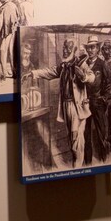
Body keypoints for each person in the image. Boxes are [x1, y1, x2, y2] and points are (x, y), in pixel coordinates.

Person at [28, 38, 94, 168]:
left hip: (77, 107)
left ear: (74, 50)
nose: (65, 50)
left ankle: (78, 167)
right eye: (64, 48)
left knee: (77, 137)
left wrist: (85, 77)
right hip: (66, 106)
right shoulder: (63, 66)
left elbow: (91, 76)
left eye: (69, 48)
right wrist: (33, 73)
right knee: (71, 136)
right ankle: (77, 164)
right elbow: (50, 72)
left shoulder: (81, 64)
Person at [82, 35, 111, 164]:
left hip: (98, 103)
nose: (90, 50)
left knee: (101, 134)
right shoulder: (83, 64)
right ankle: (87, 163)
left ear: (98, 49)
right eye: (89, 48)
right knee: (86, 134)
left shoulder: (103, 64)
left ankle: (104, 161)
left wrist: (103, 99)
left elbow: (110, 84)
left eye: (93, 47)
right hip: (85, 103)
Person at [0, 0, 21, 78]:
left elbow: (0, 23)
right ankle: (15, 73)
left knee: (3, 51)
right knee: (12, 53)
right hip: (14, 32)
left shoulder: (4, 7)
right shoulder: (13, 5)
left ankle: (4, 73)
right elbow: (18, 18)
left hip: (6, 33)